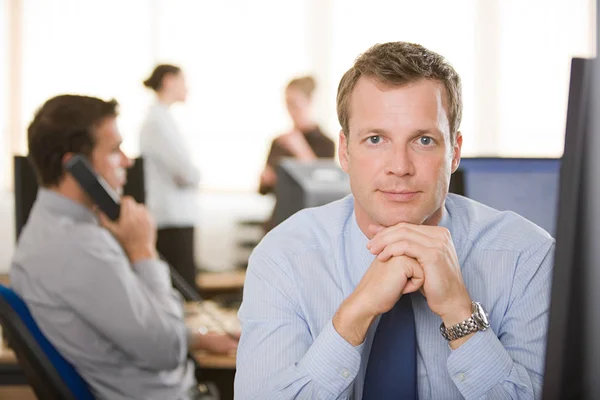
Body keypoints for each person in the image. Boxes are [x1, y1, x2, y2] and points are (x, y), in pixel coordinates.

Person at [235, 42, 555, 399]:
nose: (400, 166)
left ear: (455, 152)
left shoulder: (527, 256)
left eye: (423, 140)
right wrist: (354, 316)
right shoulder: (283, 256)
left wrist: (458, 311)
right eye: (375, 139)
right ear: (344, 151)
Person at [11, 94, 238, 400]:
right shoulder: (80, 247)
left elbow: (129, 333)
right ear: (76, 167)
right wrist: (143, 251)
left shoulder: (48, 232)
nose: (128, 161)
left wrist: (196, 338)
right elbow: (165, 350)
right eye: (115, 149)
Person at [139, 64, 201, 289]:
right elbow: (185, 172)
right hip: (170, 218)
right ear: (168, 81)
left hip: (176, 215)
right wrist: (195, 176)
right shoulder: (156, 122)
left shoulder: (164, 118)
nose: (188, 87)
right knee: (182, 287)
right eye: (183, 80)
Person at [259, 76, 336, 231]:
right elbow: (263, 190)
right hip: (279, 221)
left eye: (294, 103)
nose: (290, 110)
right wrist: (266, 180)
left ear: (309, 101)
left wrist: (300, 148)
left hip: (310, 224)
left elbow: (323, 186)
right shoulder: (279, 142)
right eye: (287, 104)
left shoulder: (326, 143)